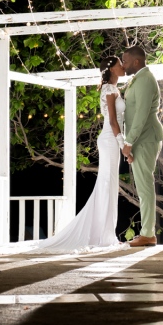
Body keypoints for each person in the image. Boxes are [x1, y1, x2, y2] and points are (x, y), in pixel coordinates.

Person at [23, 56, 129, 254]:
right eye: (119, 64)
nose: (123, 66)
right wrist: (123, 144)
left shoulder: (116, 89)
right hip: (110, 139)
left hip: (112, 139)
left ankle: (106, 233)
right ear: (111, 69)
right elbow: (113, 121)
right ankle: (104, 236)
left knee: (109, 185)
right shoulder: (108, 89)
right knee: (106, 184)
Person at [120, 46, 163, 247]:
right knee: (142, 186)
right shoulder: (138, 79)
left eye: (126, 61)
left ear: (136, 62)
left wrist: (128, 142)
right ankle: (146, 232)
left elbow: (141, 114)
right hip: (141, 139)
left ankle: (148, 233)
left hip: (145, 138)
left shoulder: (146, 79)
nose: (123, 65)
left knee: (145, 186)